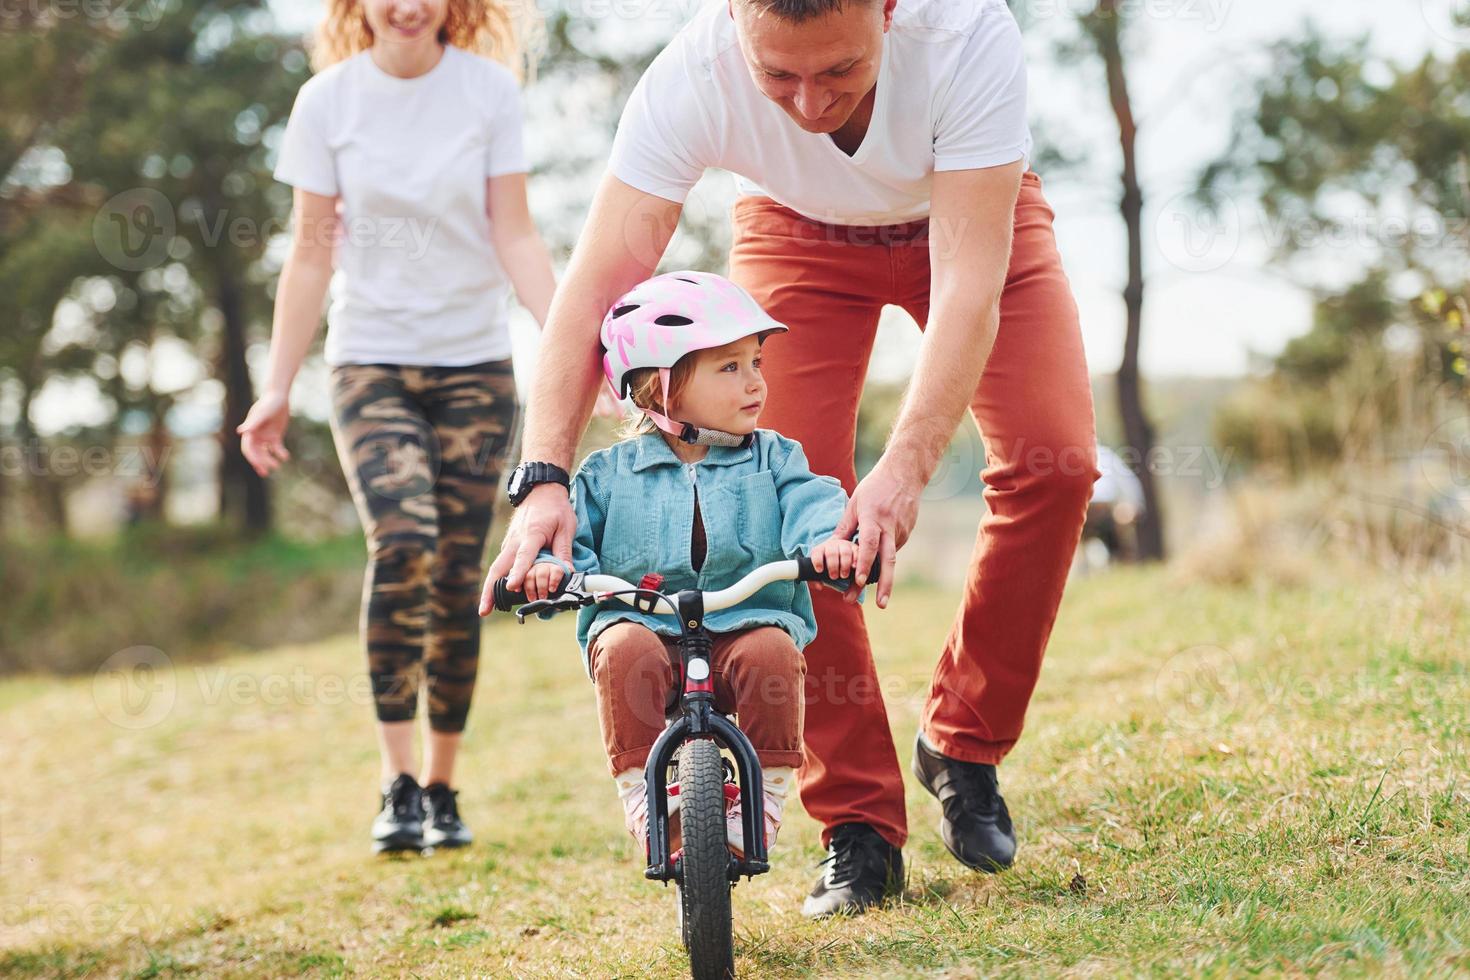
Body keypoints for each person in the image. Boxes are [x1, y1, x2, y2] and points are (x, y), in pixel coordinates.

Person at [480, 0, 1100, 915]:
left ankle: (963, 742)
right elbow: (594, 287)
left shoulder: (965, 33)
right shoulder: (692, 74)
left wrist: (906, 468)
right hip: (798, 233)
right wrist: (543, 479)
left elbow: (971, 285)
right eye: (779, 78)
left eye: (841, 73)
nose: (809, 105)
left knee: (1058, 466)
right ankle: (857, 824)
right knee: (776, 504)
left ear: (888, 13)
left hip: (965, 218)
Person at [237, 0, 555, 854]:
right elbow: (309, 252)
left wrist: (573, 349)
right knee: (404, 541)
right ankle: (397, 781)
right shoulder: (328, 102)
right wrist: (276, 386)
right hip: (370, 361)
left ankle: (444, 788)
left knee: (456, 570)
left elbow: (514, 232)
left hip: (477, 367)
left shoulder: (488, 94)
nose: (407, 5)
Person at [520, 270, 864, 858]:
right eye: (729, 368)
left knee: (772, 653)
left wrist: (829, 543)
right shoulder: (606, 476)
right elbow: (572, 541)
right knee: (623, 649)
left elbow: (812, 502)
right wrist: (554, 570)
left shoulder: (777, 459)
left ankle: (766, 799)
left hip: (745, 623)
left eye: (756, 362)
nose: (755, 382)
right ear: (662, 386)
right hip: (645, 626)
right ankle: (643, 794)